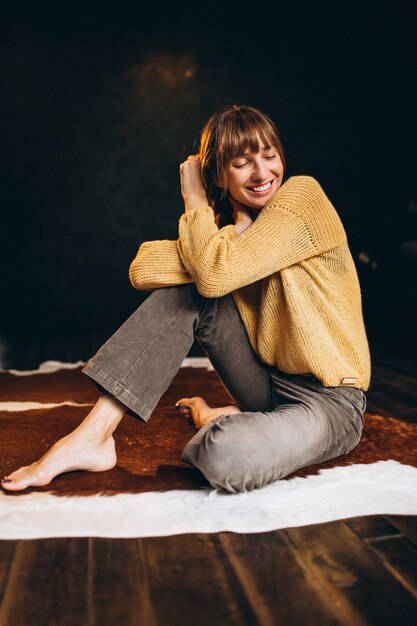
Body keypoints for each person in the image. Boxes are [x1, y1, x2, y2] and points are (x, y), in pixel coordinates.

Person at [1, 104, 370, 494]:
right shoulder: (222, 238)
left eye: (269, 155)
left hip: (330, 402)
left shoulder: (302, 198)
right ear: (220, 175)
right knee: (192, 289)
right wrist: (230, 235)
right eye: (242, 163)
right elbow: (142, 268)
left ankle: (233, 422)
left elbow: (213, 275)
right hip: (264, 383)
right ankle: (93, 436)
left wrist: (194, 198)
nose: (262, 173)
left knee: (223, 453)